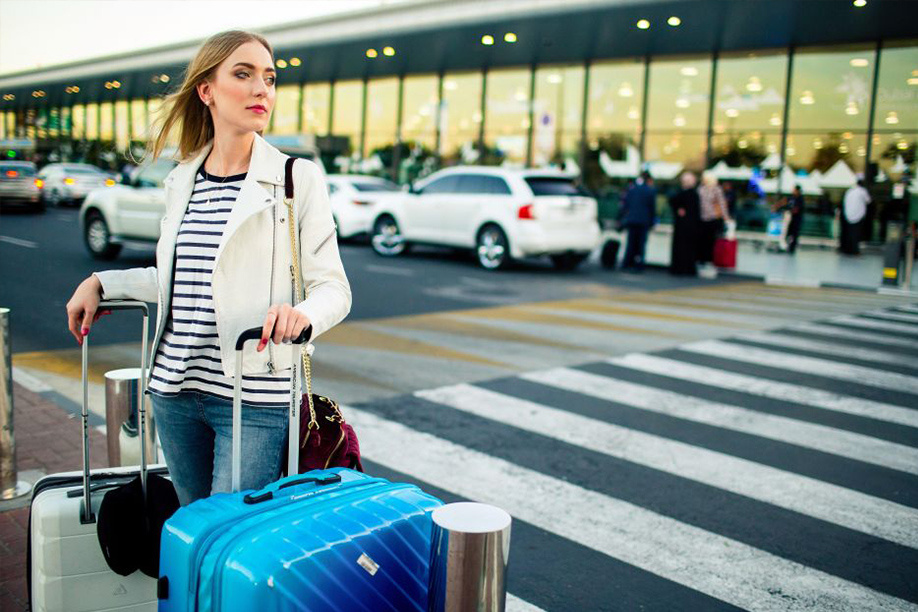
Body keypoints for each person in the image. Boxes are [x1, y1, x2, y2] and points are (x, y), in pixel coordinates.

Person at [65, 31, 352, 506]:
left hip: (254, 394)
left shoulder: (295, 178)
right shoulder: (182, 180)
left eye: (270, 78)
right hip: (174, 389)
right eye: (243, 74)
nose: (262, 89)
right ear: (207, 91)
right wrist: (102, 282)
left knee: (224, 537)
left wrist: (303, 315)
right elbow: (183, 280)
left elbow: (334, 288)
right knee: (190, 535)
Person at [619, 170, 657, 272]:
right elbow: (652, 208)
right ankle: (639, 265)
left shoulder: (632, 189)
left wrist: (622, 218)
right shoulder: (650, 191)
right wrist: (653, 221)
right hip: (643, 221)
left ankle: (627, 263)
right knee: (641, 244)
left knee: (630, 243)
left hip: (632, 219)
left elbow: (625, 205)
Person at [696, 171, 731, 269]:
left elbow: (722, 203)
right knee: (701, 240)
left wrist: (726, 217)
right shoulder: (700, 188)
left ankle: (708, 260)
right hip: (701, 218)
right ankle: (700, 259)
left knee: (710, 241)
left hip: (712, 218)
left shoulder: (717, 189)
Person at [668, 171, 700, 275]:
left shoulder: (684, 194)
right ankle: (685, 268)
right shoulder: (692, 194)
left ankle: (681, 268)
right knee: (687, 249)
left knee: (683, 248)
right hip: (688, 226)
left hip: (684, 226)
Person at [842, 178, 870, 255]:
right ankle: (855, 250)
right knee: (856, 234)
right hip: (858, 216)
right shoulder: (862, 191)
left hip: (848, 215)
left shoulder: (850, 191)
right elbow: (868, 200)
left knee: (849, 233)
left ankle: (848, 249)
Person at [783, 185, 805, 254]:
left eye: (794, 190)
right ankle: (788, 245)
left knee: (795, 234)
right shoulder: (792, 198)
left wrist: (792, 211)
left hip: (796, 219)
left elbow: (798, 209)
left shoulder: (800, 199)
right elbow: (787, 204)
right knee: (789, 233)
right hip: (790, 218)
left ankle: (792, 247)